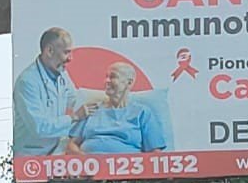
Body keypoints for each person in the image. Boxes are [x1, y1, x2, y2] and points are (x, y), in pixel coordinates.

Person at [13, 27, 92, 156]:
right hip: (31, 156)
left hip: (55, 151)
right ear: (49, 51)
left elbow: (75, 99)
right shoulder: (27, 82)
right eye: (66, 52)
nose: (70, 58)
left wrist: (103, 104)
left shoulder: (61, 74)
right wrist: (74, 117)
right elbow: (39, 127)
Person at [67, 62, 167, 154]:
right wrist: (85, 161)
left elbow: (155, 152)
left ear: (129, 83)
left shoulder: (142, 112)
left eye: (113, 77)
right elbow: (71, 145)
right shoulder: (90, 109)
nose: (106, 81)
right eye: (106, 77)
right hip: (90, 165)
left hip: (127, 166)